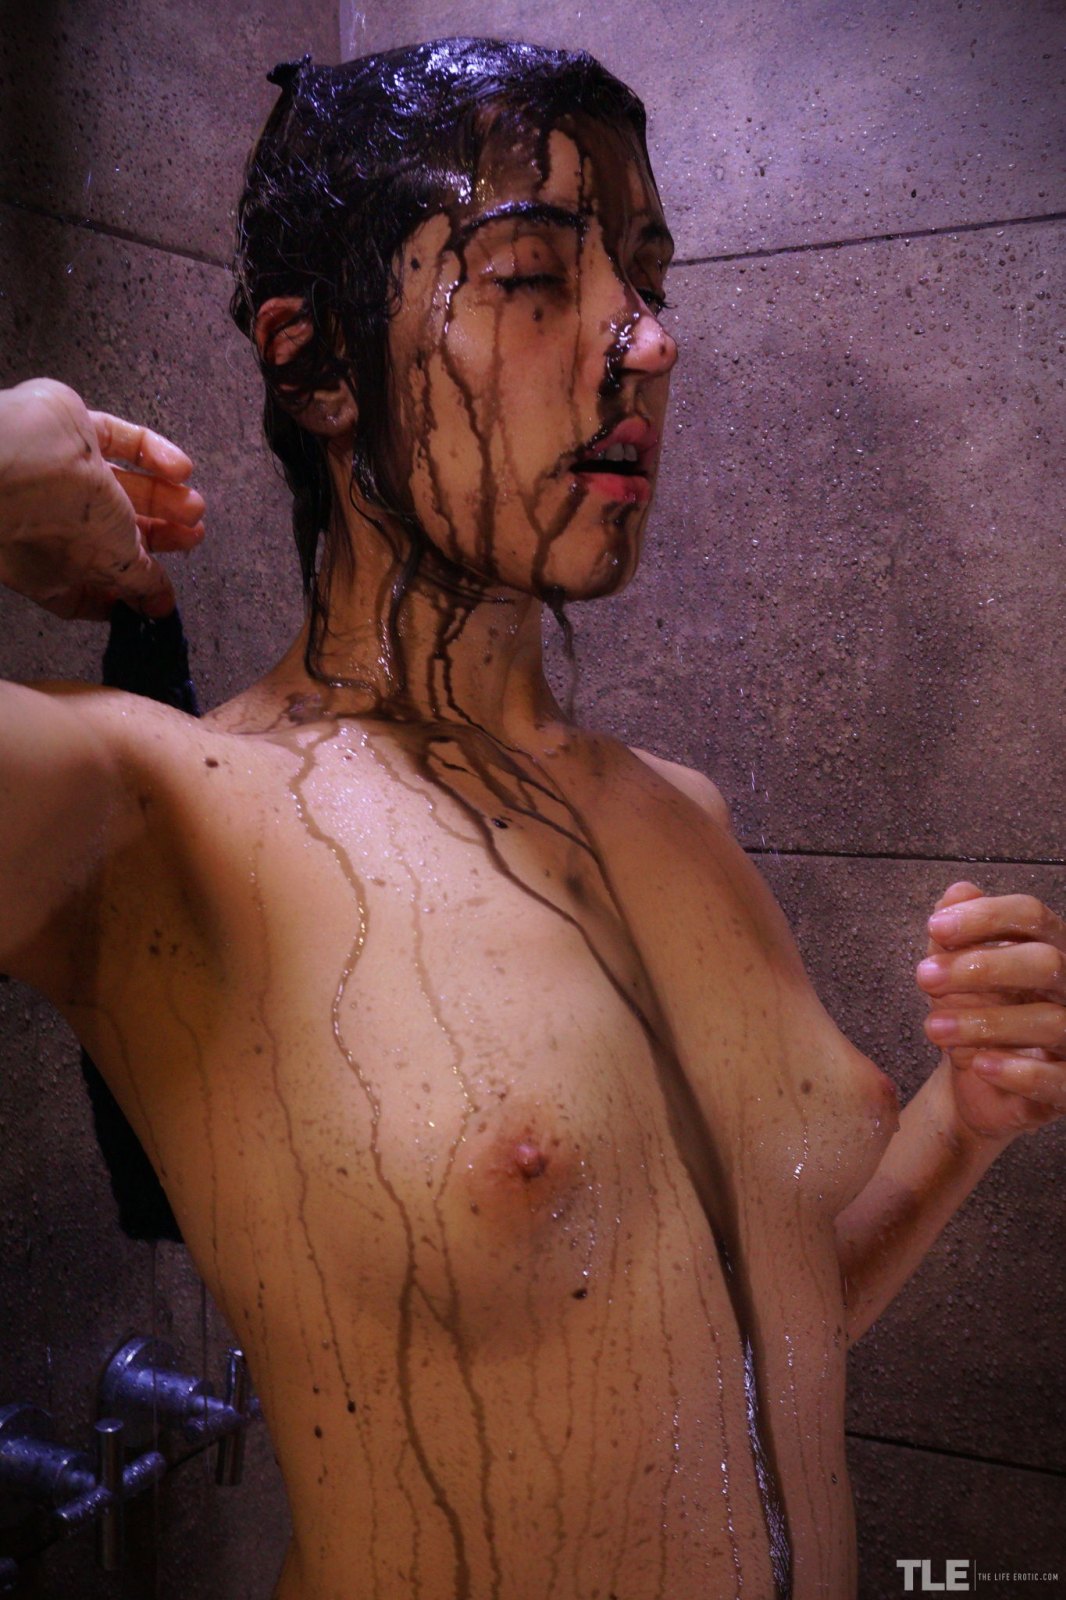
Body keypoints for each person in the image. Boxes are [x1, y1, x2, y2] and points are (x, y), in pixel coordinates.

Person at [0, 39, 1063, 1600]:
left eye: (646, 278)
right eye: (531, 280)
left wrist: (961, 1122)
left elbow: (754, 1333)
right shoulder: (161, 813)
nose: (649, 343)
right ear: (317, 362)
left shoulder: (676, 812)